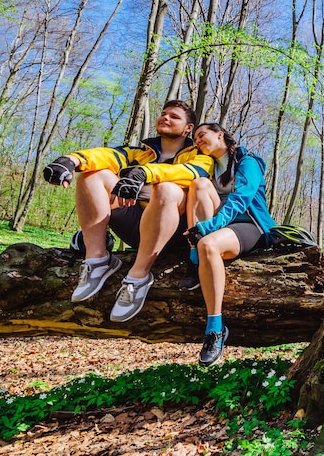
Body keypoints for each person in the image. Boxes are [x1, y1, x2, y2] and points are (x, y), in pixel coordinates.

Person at [43, 100, 213, 322]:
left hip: (173, 233)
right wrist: (70, 161)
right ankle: (97, 260)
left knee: (167, 190)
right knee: (93, 175)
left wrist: (142, 175)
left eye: (174, 116)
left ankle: (138, 276)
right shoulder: (139, 152)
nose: (165, 118)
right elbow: (106, 155)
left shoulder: (199, 156)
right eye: (163, 114)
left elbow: (191, 172)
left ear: (188, 128)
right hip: (134, 225)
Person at [181, 123, 276, 366]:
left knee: (209, 245)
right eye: (195, 138)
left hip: (248, 224)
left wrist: (208, 228)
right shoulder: (206, 167)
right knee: (198, 184)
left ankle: (215, 329)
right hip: (217, 225)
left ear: (220, 134)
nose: (198, 140)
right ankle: (195, 261)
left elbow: (241, 199)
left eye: (202, 135)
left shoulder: (247, 161)